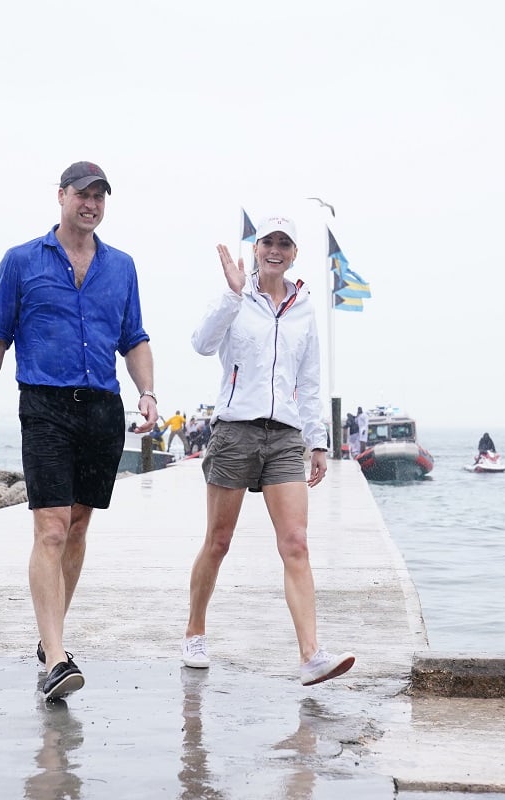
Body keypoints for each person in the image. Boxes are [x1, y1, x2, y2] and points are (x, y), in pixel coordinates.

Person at [0, 161, 158, 701]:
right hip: (44, 405)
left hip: (102, 408)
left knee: (77, 529)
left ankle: (49, 638)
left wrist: (147, 391)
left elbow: (135, 337)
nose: (91, 204)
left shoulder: (121, 267)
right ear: (61, 196)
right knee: (50, 528)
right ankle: (56, 657)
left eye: (100, 196)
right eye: (82, 194)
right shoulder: (22, 260)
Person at [183, 214, 354, 687]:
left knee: (296, 544)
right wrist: (232, 294)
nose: (275, 250)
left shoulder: (303, 309)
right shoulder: (238, 298)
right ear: (256, 249)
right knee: (218, 542)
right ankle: (195, 630)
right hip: (235, 433)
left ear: (295, 252)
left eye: (285, 243)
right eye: (267, 243)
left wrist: (317, 442)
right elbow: (201, 344)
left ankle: (311, 655)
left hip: (284, 438)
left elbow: (309, 381)